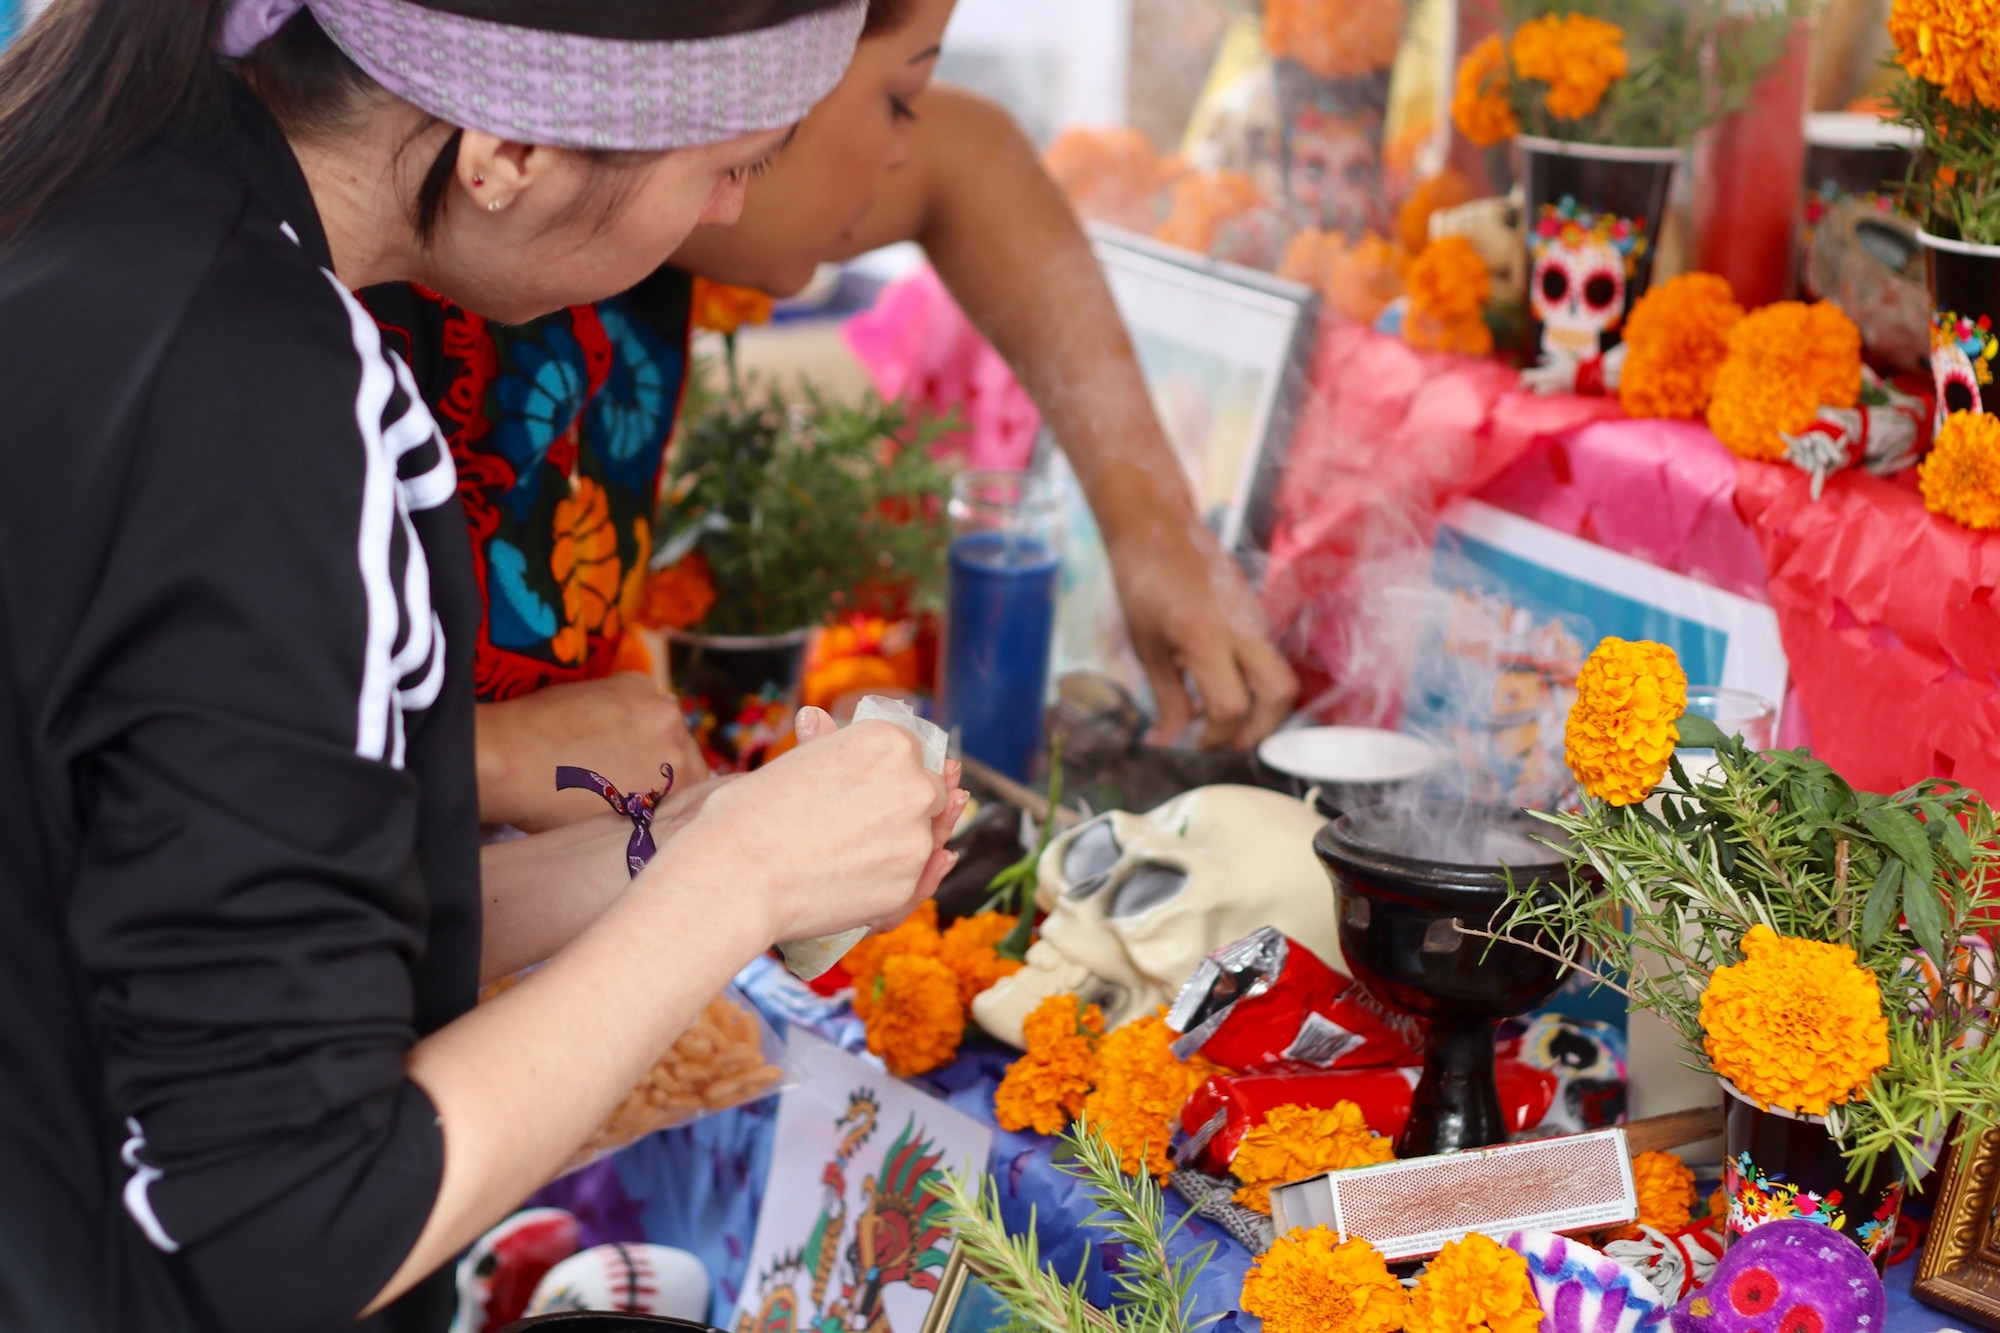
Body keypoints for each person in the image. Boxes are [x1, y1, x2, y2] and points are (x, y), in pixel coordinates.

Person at [0, 2, 965, 1331]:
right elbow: (287, 1219)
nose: (733, 209)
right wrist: (745, 885)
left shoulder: (110, 201)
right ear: (509, 147)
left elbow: (199, 911)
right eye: (722, 163)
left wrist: (688, 842)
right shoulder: (260, 411)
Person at [371, 0, 1301, 835]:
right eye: (898, 101)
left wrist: (1153, 530)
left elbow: (974, 162)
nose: (908, 150)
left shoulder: (592, 213)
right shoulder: (325, 322)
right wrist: (484, 757)